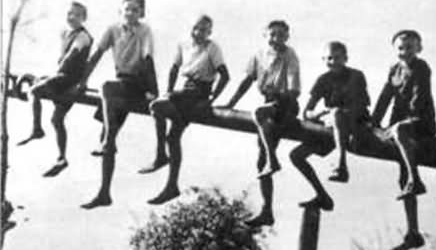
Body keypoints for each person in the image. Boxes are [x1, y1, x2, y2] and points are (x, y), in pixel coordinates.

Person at [78, 0, 167, 209]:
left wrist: (153, 91)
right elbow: (96, 55)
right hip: (121, 83)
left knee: (106, 91)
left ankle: (110, 139)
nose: (130, 14)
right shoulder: (113, 30)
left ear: (141, 13)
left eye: (135, 10)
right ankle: (104, 193)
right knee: (107, 137)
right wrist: (82, 82)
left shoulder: (144, 31)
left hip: (139, 83)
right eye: (126, 9)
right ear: (120, 12)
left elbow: (147, 60)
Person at [222, 19, 300, 227]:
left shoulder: (289, 54)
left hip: (286, 104)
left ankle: (273, 160)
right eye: (272, 34)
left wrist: (280, 101)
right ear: (265, 35)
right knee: (260, 160)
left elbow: (293, 89)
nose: (276, 39)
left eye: (281, 35)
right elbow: (247, 80)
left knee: (259, 114)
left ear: (287, 37)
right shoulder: (259, 55)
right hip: (269, 105)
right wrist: (230, 103)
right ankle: (267, 210)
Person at [147, 15, 229, 205]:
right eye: (196, 28)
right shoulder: (184, 44)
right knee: (172, 137)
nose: (199, 33)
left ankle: (160, 155)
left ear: (210, 32)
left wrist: (211, 99)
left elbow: (225, 75)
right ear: (191, 28)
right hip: (182, 91)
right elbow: (174, 68)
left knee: (156, 106)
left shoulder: (212, 48)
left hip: (198, 93)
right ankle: (171, 186)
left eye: (204, 30)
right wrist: (168, 90)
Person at [371, 29, 436, 250]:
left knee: (399, 132)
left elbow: (419, 98)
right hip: (400, 125)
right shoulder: (394, 70)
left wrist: (396, 125)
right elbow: (384, 97)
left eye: (409, 47)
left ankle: (416, 179)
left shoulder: (421, 67)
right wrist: (373, 122)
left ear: (418, 49)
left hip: (420, 122)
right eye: (400, 48)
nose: (404, 51)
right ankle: (413, 232)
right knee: (402, 177)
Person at [19, 1, 92, 178]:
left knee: (34, 91)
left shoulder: (83, 36)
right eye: (69, 14)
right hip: (62, 77)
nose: (72, 17)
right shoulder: (65, 33)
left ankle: (37, 129)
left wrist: (51, 77)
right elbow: (61, 59)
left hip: (69, 80)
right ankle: (61, 158)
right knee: (57, 119)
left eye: (76, 15)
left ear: (84, 18)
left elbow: (71, 56)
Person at [294, 41, 370, 210]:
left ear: (345, 59)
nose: (333, 62)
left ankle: (341, 165)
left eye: (337, 58)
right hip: (333, 127)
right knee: (296, 155)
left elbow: (362, 105)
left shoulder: (356, 76)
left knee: (337, 114)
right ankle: (322, 195)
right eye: (329, 58)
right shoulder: (323, 80)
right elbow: (307, 112)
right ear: (324, 60)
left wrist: (344, 118)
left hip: (356, 122)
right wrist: (322, 113)